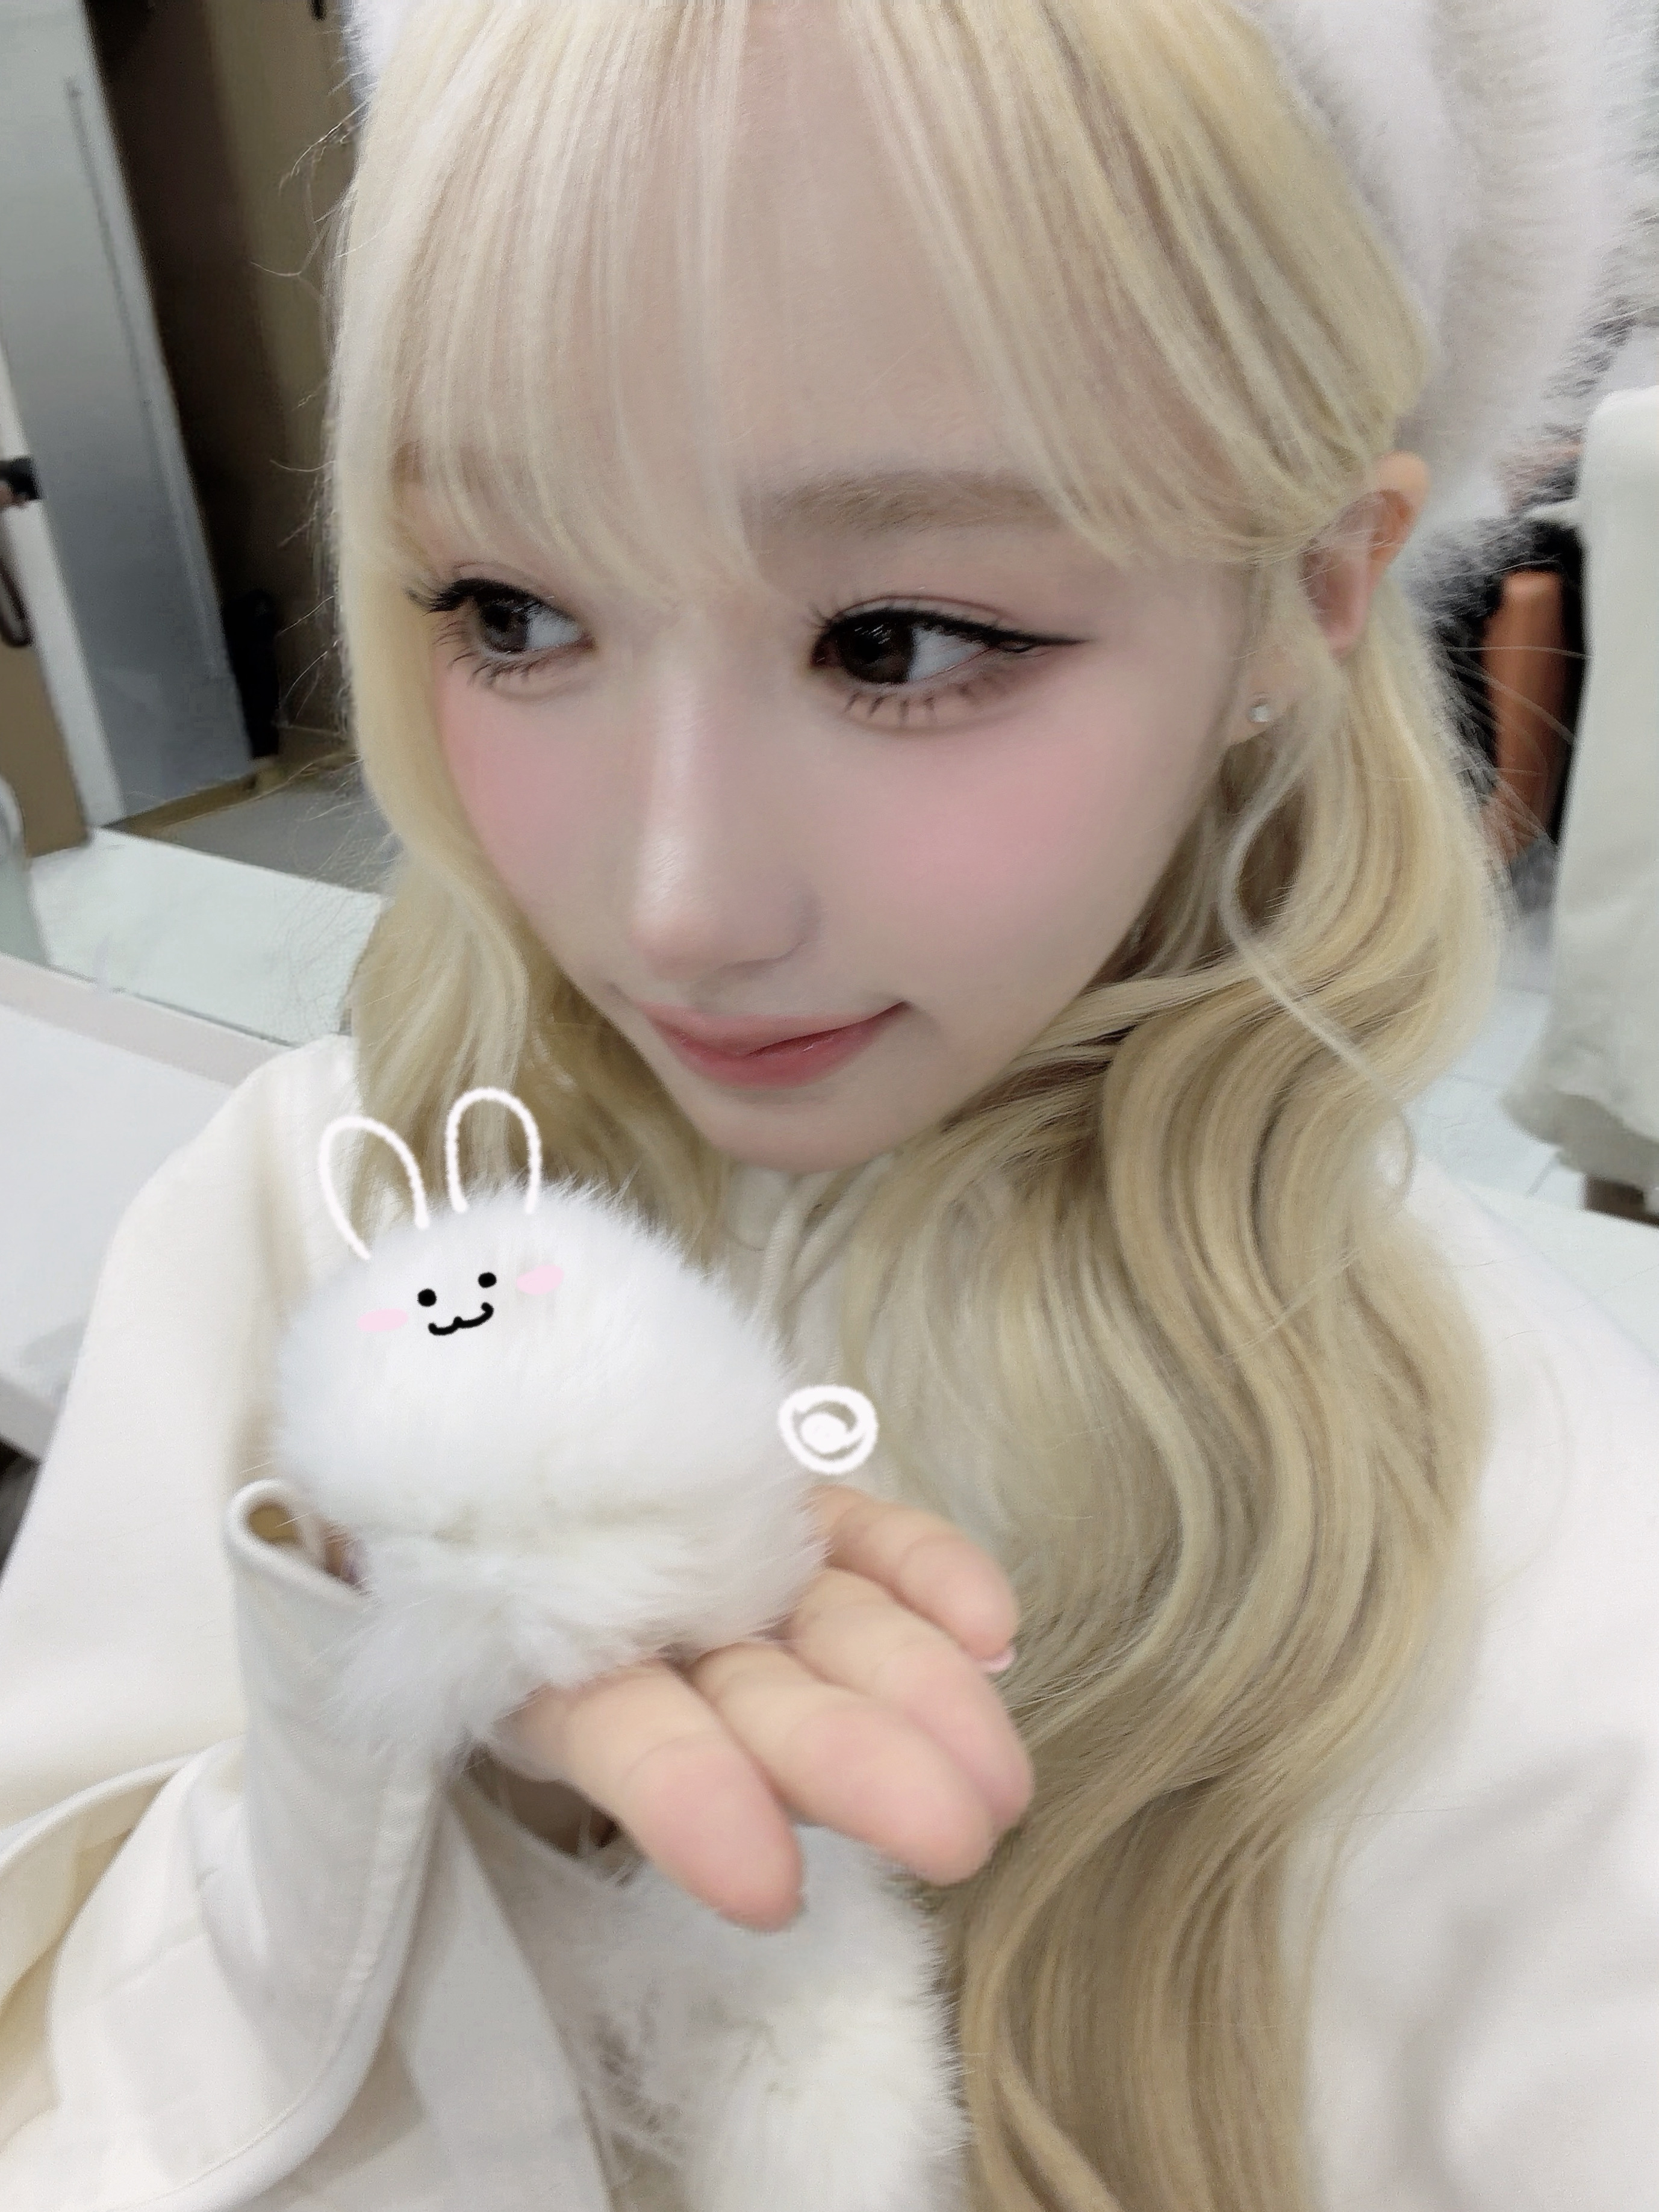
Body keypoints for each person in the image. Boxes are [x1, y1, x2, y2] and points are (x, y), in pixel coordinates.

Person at [1, 2, 1655, 2208]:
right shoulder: (309, 1212)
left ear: (1310, 594)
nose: (672, 907)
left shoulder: (1551, 1580)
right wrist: (391, 1805)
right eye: (512, 608)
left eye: (899, 639)